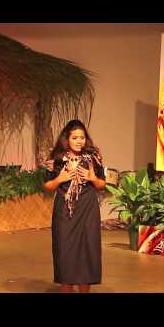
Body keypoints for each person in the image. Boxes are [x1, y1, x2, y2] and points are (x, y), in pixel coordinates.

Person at [43, 119, 106, 293]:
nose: (79, 141)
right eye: (75, 137)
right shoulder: (56, 159)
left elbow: (102, 185)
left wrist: (92, 178)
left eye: (82, 137)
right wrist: (60, 179)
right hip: (65, 211)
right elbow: (47, 185)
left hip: (88, 210)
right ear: (67, 139)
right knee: (66, 255)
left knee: (88, 253)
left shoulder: (93, 157)